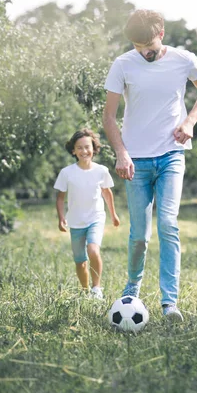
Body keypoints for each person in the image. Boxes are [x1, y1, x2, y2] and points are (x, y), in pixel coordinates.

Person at [103, 9, 197, 320]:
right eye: (138, 47)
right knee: (140, 235)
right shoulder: (123, 64)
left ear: (161, 33)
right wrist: (121, 153)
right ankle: (131, 291)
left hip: (171, 155)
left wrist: (190, 121)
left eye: (149, 45)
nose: (144, 52)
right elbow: (109, 116)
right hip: (135, 162)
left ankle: (170, 304)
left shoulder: (184, 59)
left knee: (168, 223)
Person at [54, 128, 120, 299]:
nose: (84, 151)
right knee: (80, 261)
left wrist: (113, 215)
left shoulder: (101, 170)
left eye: (87, 147)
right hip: (75, 221)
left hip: (95, 218)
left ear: (94, 148)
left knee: (93, 249)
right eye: (80, 147)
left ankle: (97, 288)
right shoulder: (66, 173)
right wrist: (61, 218)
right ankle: (85, 291)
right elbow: (60, 198)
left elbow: (107, 193)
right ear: (73, 151)